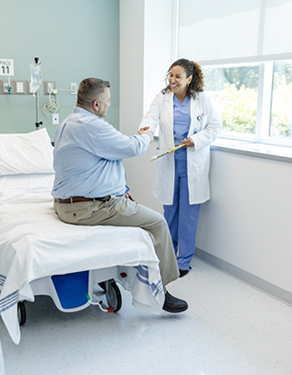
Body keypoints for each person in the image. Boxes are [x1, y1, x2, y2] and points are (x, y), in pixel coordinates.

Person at [52, 77, 188, 313]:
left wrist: (122, 190)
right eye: (107, 101)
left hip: (68, 204)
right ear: (96, 103)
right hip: (90, 208)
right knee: (158, 223)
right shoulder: (92, 126)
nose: (108, 105)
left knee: (142, 214)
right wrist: (147, 134)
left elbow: (94, 164)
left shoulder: (68, 122)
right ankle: (161, 291)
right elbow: (131, 147)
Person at [139, 58, 222, 277]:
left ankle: (184, 260)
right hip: (170, 160)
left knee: (188, 214)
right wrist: (144, 131)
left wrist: (195, 139)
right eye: (171, 75)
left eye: (178, 76)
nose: (173, 80)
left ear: (189, 79)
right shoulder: (162, 98)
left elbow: (215, 127)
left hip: (193, 161)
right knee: (170, 211)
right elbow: (150, 118)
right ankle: (168, 255)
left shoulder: (203, 100)